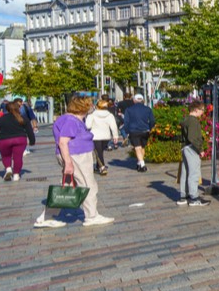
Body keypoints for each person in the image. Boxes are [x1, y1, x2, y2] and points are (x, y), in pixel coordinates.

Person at [54, 96, 113, 226]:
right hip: (77, 155)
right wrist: (68, 162)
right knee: (88, 184)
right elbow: (63, 142)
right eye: (89, 105)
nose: (92, 107)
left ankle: (50, 216)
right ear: (82, 107)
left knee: (67, 185)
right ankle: (92, 216)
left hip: (75, 154)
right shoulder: (71, 120)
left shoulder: (67, 118)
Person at [0, 100, 37, 181]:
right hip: (20, 139)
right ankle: (16, 175)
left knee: (6, 156)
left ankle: (8, 169)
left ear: (7, 109)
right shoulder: (23, 118)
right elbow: (29, 131)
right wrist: (32, 141)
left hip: (4, 140)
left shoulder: (0, 120)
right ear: (18, 108)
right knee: (17, 157)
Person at [177, 101, 211, 207]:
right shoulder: (193, 121)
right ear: (196, 110)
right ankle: (194, 198)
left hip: (185, 147)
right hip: (192, 148)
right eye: (202, 110)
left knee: (185, 172)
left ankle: (184, 196)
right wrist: (200, 149)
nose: (203, 113)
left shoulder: (186, 120)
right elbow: (193, 137)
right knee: (194, 173)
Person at [86, 96, 120, 176]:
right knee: (100, 151)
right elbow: (114, 126)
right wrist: (115, 136)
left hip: (95, 136)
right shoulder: (110, 115)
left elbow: (87, 126)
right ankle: (98, 166)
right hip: (106, 136)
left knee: (98, 152)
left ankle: (102, 167)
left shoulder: (92, 115)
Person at [123, 94, 155, 172]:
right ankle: (139, 163)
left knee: (137, 147)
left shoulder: (129, 109)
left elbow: (126, 122)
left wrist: (127, 131)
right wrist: (150, 128)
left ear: (134, 100)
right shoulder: (148, 109)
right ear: (142, 100)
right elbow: (152, 121)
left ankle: (142, 164)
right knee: (142, 147)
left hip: (134, 130)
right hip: (145, 130)